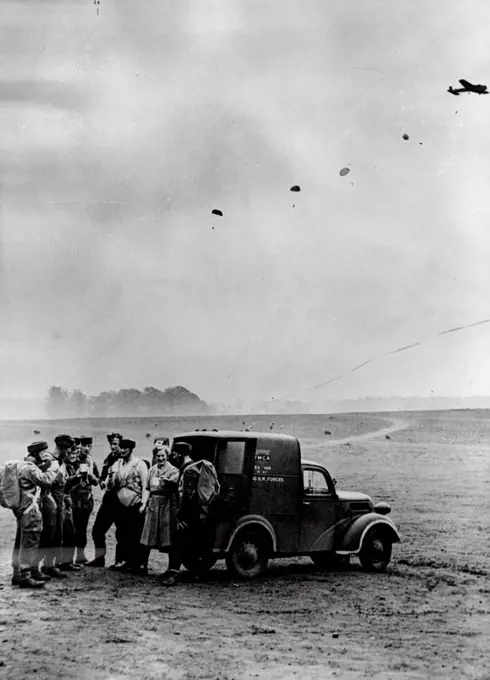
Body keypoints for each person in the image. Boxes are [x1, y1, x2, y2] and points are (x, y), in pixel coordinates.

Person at [11, 441, 57, 588]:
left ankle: (17, 574)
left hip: (22, 508)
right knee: (30, 540)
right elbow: (45, 481)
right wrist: (53, 469)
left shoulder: (22, 465)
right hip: (30, 509)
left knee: (21, 540)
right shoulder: (30, 468)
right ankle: (26, 576)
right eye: (43, 452)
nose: (45, 455)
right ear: (37, 453)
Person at [108, 439, 148, 574]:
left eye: (126, 448)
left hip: (135, 504)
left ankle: (139, 564)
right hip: (120, 505)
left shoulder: (139, 464)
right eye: (121, 448)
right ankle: (124, 561)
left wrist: (144, 503)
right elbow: (112, 484)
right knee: (122, 533)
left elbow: (145, 486)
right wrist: (110, 477)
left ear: (131, 449)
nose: (123, 450)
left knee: (136, 534)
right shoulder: (117, 464)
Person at [86, 433, 124, 568]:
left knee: (122, 532)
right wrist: (102, 482)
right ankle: (99, 559)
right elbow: (102, 476)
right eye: (112, 444)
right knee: (97, 530)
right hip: (108, 499)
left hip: (121, 500)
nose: (114, 447)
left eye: (116, 444)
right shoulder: (109, 458)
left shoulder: (124, 459)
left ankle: (120, 561)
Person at [140, 446, 179, 573]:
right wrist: (144, 504)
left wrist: (168, 482)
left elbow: (175, 486)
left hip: (166, 505)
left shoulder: (173, 470)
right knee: (148, 534)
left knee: (166, 535)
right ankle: (143, 564)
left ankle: (170, 568)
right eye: (158, 456)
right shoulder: (152, 470)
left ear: (167, 456)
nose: (160, 458)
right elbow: (147, 488)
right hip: (153, 504)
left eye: (163, 456)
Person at [42, 434, 75, 578]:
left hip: (60, 501)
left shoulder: (61, 461)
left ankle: (51, 564)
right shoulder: (49, 461)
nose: (69, 453)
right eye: (67, 450)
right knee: (49, 534)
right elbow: (45, 482)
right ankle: (44, 566)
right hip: (50, 501)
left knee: (58, 535)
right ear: (62, 448)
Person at [71, 436, 99, 564]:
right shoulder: (72, 459)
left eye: (90, 446)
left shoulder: (90, 460)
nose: (87, 449)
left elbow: (97, 480)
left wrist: (92, 478)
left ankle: (80, 555)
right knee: (71, 528)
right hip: (73, 498)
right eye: (84, 446)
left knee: (82, 527)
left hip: (86, 498)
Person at [58, 446, 82, 571]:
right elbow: (61, 486)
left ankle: (66, 562)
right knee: (60, 533)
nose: (73, 456)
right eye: (71, 454)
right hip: (60, 501)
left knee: (70, 532)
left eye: (75, 454)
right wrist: (75, 479)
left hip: (67, 501)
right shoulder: (60, 467)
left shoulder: (71, 467)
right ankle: (55, 564)